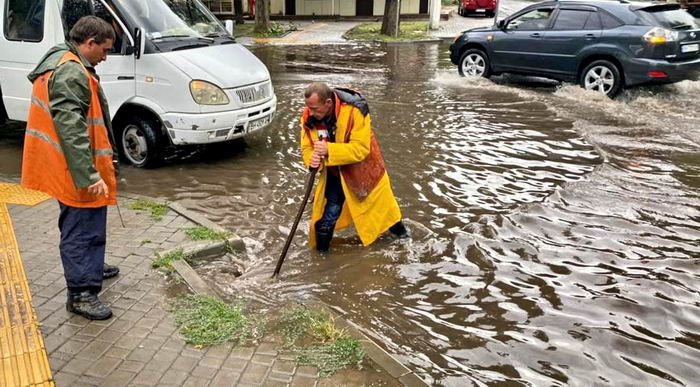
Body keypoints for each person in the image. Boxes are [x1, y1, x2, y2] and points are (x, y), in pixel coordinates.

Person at [21, 16, 119, 320]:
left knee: (87, 223)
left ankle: (91, 266)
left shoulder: (63, 60)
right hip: (75, 171)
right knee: (80, 228)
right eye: (104, 50)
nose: (105, 57)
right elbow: (71, 130)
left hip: (68, 166)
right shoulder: (70, 72)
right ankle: (81, 293)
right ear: (89, 43)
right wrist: (90, 175)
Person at [300, 82, 409, 253]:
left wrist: (329, 149)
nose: (310, 113)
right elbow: (307, 147)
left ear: (328, 103)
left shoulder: (356, 110)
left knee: (385, 211)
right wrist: (311, 160)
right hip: (335, 173)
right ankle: (322, 260)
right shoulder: (309, 115)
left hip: (365, 171)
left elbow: (361, 149)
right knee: (326, 219)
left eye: (315, 109)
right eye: (309, 108)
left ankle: (404, 238)